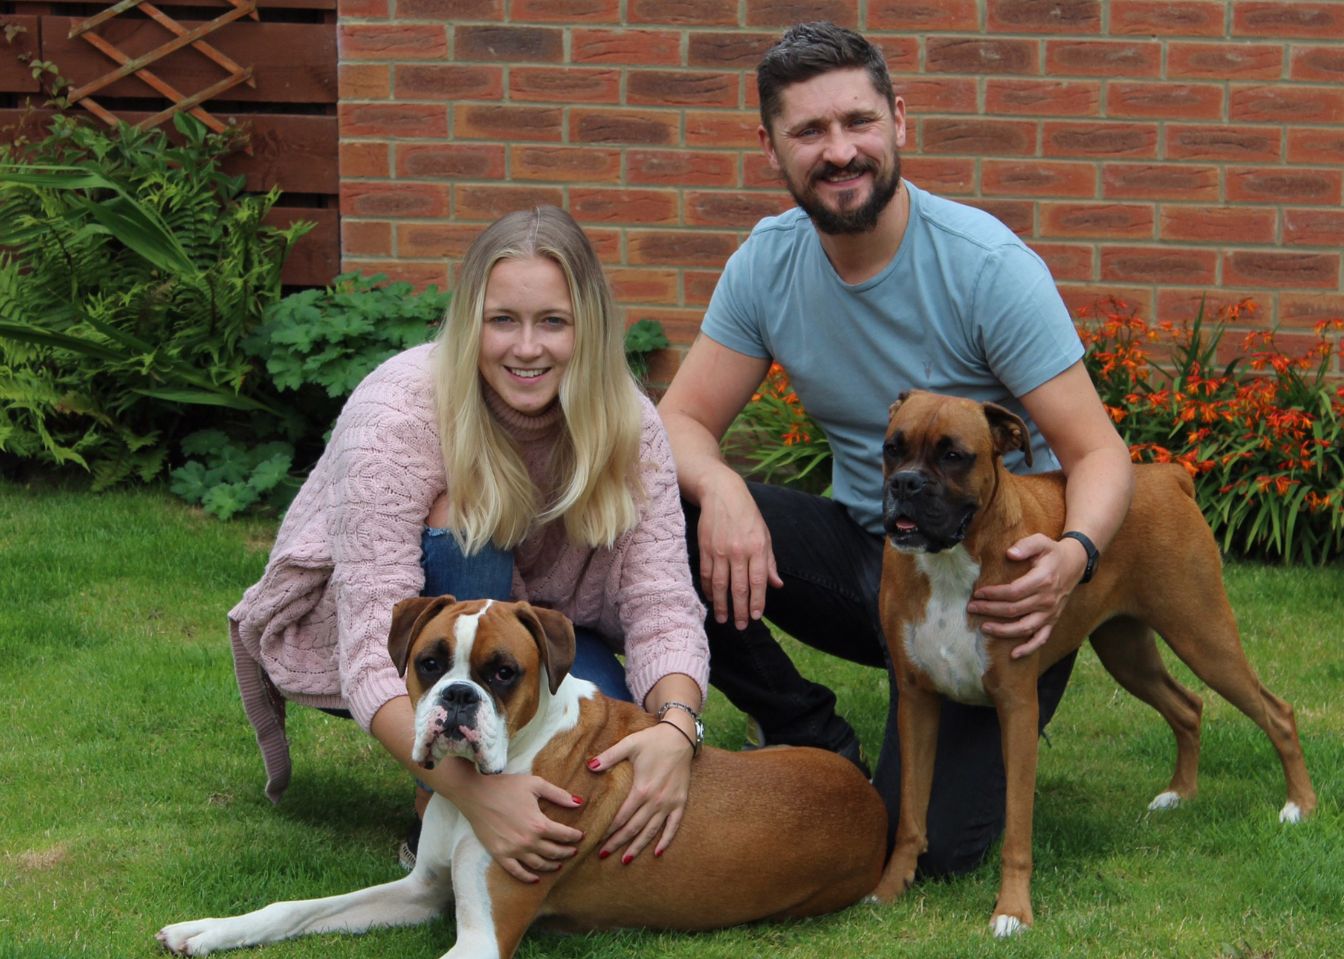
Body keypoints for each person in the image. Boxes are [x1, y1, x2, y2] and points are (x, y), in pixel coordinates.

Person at [657, 22, 1135, 878]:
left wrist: (1071, 558)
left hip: (1001, 583)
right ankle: (807, 730)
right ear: (770, 148)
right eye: (809, 131)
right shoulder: (767, 264)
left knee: (932, 847)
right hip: (871, 553)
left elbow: (1099, 452)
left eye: (857, 123)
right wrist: (722, 490)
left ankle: (935, 738)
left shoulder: (986, 266)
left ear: (899, 122)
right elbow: (678, 424)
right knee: (663, 505)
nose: (839, 152)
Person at [230, 206, 709, 882]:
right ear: (470, 322)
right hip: (419, 634)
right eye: (502, 320)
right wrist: (475, 796)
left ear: (589, 327)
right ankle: (438, 801)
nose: (526, 348)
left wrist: (676, 730)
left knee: (598, 779)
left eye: (553, 322)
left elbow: (662, 602)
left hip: (544, 635)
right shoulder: (396, 412)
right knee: (466, 511)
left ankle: (493, 777)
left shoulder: (628, 420)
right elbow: (372, 646)